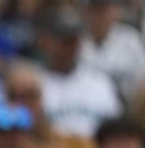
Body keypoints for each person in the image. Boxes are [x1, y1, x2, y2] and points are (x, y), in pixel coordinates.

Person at [38, 7, 121, 140]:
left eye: (74, 40)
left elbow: (115, 132)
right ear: (44, 42)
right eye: (64, 41)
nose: (71, 47)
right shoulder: (33, 83)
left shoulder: (100, 83)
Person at [76, 0, 145, 105]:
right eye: (95, 8)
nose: (100, 15)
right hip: (88, 108)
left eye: (106, 8)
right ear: (84, 11)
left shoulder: (130, 40)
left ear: (116, 10)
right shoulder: (75, 41)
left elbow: (142, 83)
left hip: (127, 108)